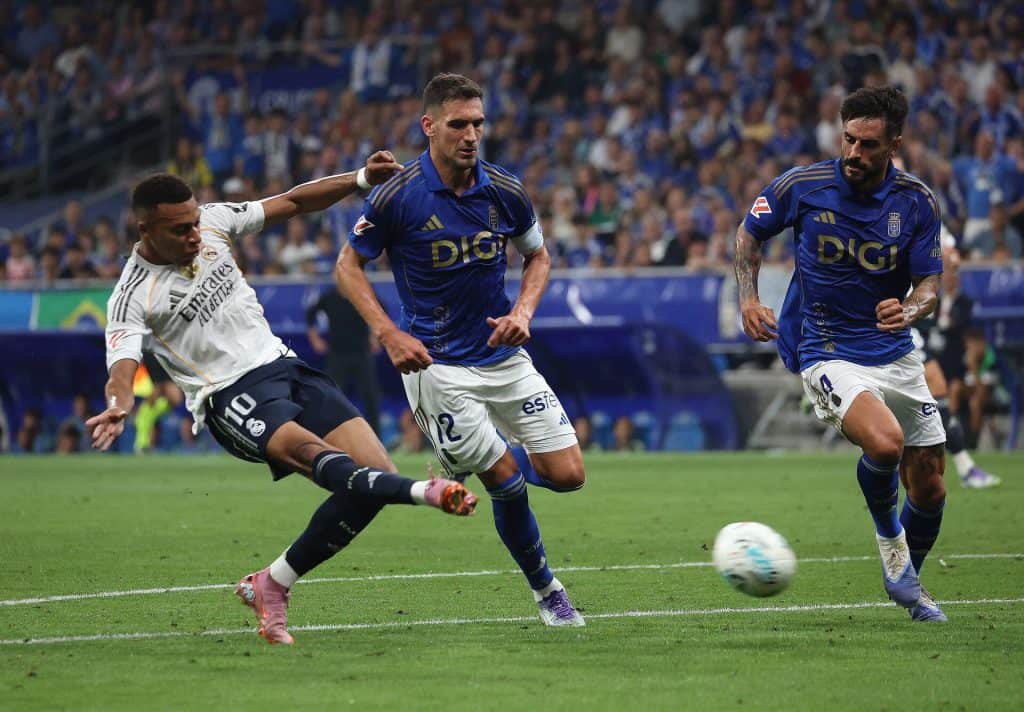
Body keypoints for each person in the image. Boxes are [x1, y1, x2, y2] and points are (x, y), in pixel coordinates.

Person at [85, 157, 478, 646]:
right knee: (322, 459)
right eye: (180, 228)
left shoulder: (212, 221)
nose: (194, 234)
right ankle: (426, 493)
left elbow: (291, 201)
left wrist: (357, 180)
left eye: (194, 222)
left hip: (284, 366)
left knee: (374, 473)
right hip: (228, 395)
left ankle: (272, 582)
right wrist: (119, 402)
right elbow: (121, 365)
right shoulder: (131, 295)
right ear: (145, 229)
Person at [337, 73, 587, 628]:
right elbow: (347, 265)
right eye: (458, 124)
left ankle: (457, 457)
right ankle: (549, 593)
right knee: (507, 482)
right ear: (429, 127)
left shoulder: (504, 189)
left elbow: (538, 257)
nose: (471, 134)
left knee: (569, 474)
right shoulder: (397, 195)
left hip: (499, 352)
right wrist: (389, 333)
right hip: (435, 364)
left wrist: (523, 313)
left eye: (478, 123)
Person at [734, 86, 948, 622]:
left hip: (894, 351)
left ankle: (908, 580)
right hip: (824, 346)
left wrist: (912, 310)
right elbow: (749, 233)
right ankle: (891, 545)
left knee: (930, 483)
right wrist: (749, 298)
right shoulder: (803, 186)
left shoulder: (917, 202)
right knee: (885, 444)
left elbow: (929, 286)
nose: (854, 153)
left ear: (894, 144)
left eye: (869, 145)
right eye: (848, 139)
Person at [913, 231, 1001, 489]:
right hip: (904, 325)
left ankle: (963, 466)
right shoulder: (909, 218)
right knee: (936, 392)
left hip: (911, 327)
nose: (953, 264)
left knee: (935, 395)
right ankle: (964, 468)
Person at [305, 285, 382, 435]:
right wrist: (314, 339)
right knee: (332, 396)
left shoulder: (363, 293)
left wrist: (375, 336)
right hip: (337, 354)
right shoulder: (329, 297)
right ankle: (332, 435)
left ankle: (376, 438)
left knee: (371, 396)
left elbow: (379, 311)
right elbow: (310, 314)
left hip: (362, 352)